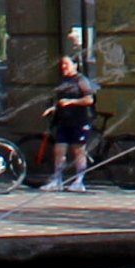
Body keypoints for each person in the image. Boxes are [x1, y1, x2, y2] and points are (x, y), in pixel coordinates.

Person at [46, 55, 98, 191]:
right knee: (59, 150)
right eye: (62, 64)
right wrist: (53, 108)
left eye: (66, 64)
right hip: (64, 121)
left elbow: (89, 100)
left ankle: (79, 181)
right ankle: (57, 180)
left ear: (75, 65)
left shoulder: (81, 80)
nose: (63, 67)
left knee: (78, 151)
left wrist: (71, 102)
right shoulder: (63, 81)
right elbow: (60, 100)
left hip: (80, 120)